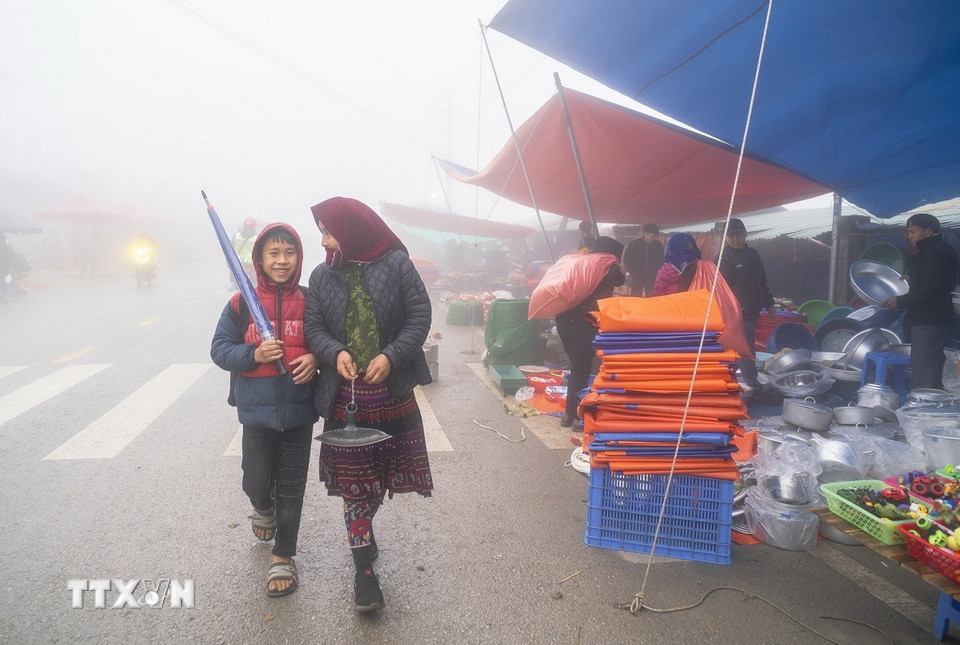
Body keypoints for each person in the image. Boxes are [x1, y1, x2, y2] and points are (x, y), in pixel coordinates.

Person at [304, 197, 433, 614]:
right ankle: (364, 572)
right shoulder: (322, 276)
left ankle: (365, 528)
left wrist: (392, 356)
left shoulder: (397, 264)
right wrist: (334, 351)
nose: (323, 240)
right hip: (347, 402)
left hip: (392, 395)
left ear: (354, 229)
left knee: (378, 482)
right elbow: (313, 326)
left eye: (329, 230)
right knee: (356, 487)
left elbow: (419, 315)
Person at [210, 223, 319, 598]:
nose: (282, 261)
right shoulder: (241, 303)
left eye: (289, 253)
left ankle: (283, 556)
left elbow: (326, 340)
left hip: (300, 410)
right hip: (256, 412)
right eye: (274, 253)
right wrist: (252, 354)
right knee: (255, 480)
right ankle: (261, 504)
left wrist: (314, 356)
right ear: (259, 259)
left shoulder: (310, 300)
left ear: (299, 258)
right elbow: (219, 350)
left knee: (293, 487)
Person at [882, 213, 958, 389]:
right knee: (931, 361)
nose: (909, 236)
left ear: (928, 231)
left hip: (929, 318)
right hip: (933, 316)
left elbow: (928, 290)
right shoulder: (931, 251)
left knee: (924, 366)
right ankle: (932, 401)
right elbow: (935, 281)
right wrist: (912, 277)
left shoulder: (935, 252)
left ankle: (924, 406)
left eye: (912, 232)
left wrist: (899, 301)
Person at [556, 236, 625, 428]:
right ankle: (572, 416)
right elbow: (619, 279)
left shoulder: (581, 260)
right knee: (581, 368)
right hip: (583, 321)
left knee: (576, 365)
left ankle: (572, 412)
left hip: (563, 318)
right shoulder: (608, 265)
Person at [715, 218, 776, 390]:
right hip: (735, 313)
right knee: (745, 348)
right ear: (725, 237)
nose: (735, 239)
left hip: (752, 310)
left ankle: (738, 382)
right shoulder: (722, 259)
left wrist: (769, 303)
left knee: (744, 348)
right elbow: (719, 290)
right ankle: (752, 384)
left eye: (739, 235)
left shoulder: (753, 255)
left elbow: (762, 281)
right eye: (731, 236)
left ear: (745, 235)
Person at [621, 223, 664, 297]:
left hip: (651, 276)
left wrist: (655, 270)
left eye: (655, 236)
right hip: (637, 276)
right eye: (652, 236)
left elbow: (661, 259)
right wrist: (633, 272)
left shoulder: (658, 245)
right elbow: (627, 259)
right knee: (636, 295)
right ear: (645, 233)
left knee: (651, 296)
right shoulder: (634, 244)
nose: (654, 238)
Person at [230, 217, 258, 288]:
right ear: (254, 226)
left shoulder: (236, 236)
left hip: (237, 267)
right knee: (253, 292)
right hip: (252, 270)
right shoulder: (257, 238)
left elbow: (229, 251)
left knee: (239, 291)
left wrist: (230, 265)